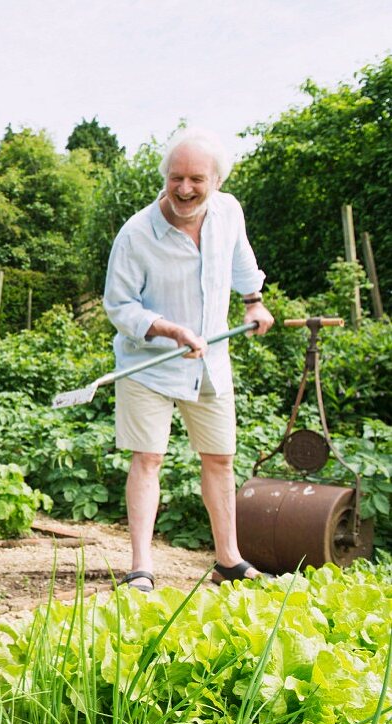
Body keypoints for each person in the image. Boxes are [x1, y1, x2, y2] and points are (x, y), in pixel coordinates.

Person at [102, 128, 275, 592]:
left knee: (220, 458)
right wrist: (168, 329)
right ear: (165, 177)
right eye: (175, 177)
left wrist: (253, 301)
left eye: (196, 179)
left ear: (216, 180)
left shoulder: (228, 212)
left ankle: (228, 560)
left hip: (210, 360)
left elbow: (242, 261)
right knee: (148, 458)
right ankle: (141, 568)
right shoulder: (137, 233)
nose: (184, 189)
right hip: (149, 364)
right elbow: (119, 306)